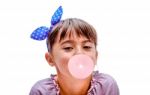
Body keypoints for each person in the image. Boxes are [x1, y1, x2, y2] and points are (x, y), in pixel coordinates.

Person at [29, 6, 119, 95]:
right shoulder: (41, 91)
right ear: (50, 59)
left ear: (96, 56)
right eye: (68, 48)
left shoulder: (106, 86)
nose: (80, 53)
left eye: (87, 47)